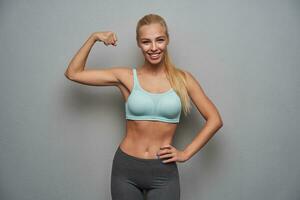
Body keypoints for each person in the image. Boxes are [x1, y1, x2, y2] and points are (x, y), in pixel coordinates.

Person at [64, 13, 223, 200]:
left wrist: (186, 153)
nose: (154, 47)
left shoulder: (183, 80)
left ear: (167, 40)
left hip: (163, 172)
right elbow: (73, 73)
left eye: (160, 40)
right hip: (126, 170)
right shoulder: (126, 77)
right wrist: (94, 38)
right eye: (146, 42)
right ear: (139, 44)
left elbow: (215, 120)